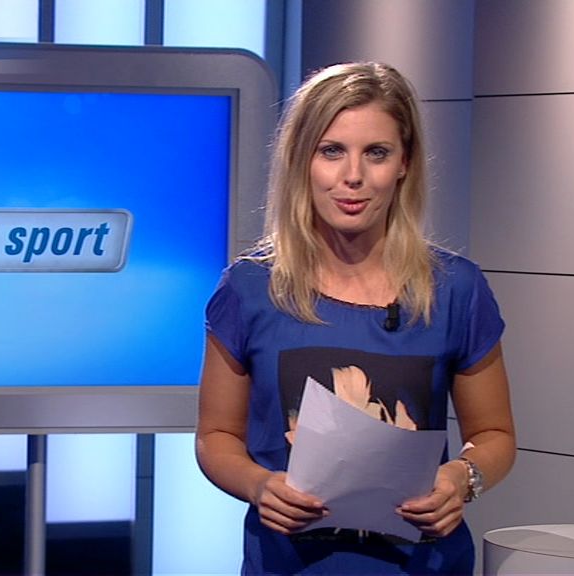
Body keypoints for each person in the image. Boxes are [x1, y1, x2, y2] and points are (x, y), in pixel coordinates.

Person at [196, 62, 516, 575]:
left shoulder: (456, 288)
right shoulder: (249, 288)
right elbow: (215, 437)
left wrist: (462, 478)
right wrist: (259, 485)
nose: (353, 176)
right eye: (332, 151)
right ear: (302, 160)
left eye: (376, 153)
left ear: (404, 163)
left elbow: (495, 433)